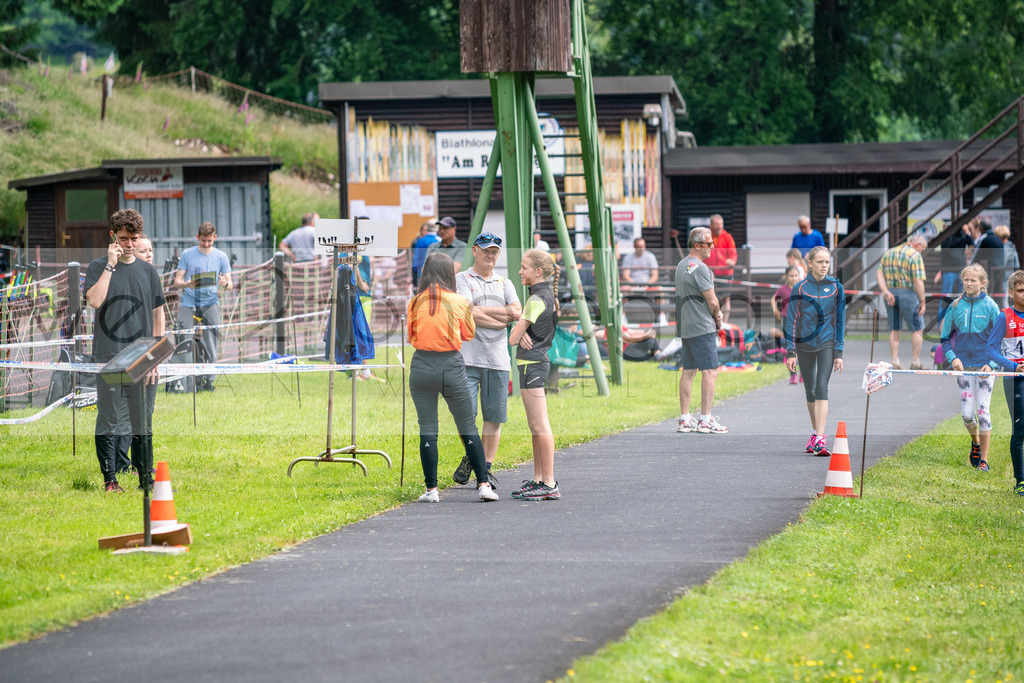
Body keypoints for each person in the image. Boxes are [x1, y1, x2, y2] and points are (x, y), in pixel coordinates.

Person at [83, 209, 165, 492]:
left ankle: (146, 480)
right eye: (124, 239)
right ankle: (110, 480)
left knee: (142, 419)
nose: (129, 244)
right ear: (112, 237)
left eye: (134, 238)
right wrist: (110, 265)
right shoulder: (97, 267)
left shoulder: (149, 271)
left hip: (143, 355)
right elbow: (94, 301)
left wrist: (155, 356)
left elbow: (159, 315)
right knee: (108, 417)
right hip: (109, 353)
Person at [406, 253, 498, 503]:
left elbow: (411, 337)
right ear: (448, 273)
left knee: (427, 427)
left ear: (426, 272)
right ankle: (483, 484)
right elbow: (468, 333)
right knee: (467, 425)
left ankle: (431, 490)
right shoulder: (459, 302)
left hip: (422, 365)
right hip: (451, 365)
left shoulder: (415, 302)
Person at [452, 232, 522, 489]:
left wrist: (484, 312)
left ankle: (483, 466)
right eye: (485, 250)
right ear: (474, 250)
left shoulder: (505, 282)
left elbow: (517, 312)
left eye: (494, 251)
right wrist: (501, 320)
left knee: (493, 417)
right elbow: (467, 312)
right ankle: (477, 458)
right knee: (465, 417)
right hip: (467, 359)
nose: (490, 255)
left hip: (497, 360)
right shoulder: (461, 279)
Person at [508, 249, 562, 500]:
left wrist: (519, 328)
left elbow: (512, 338)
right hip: (533, 363)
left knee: (540, 424)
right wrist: (523, 327)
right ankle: (539, 479)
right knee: (534, 425)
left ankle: (549, 483)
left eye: (524, 267)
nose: (520, 271)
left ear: (538, 272)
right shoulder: (544, 296)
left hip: (532, 364)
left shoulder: (536, 298)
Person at [939, 263, 1002, 473]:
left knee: (983, 412)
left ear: (983, 283)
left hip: (986, 368)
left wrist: (991, 363)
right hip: (964, 368)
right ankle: (975, 442)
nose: (968, 283)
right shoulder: (955, 306)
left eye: (973, 280)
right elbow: (945, 339)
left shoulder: (992, 307)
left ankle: (984, 460)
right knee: (967, 415)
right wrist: (952, 357)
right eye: (965, 279)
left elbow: (1000, 340)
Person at [785, 246, 845, 456]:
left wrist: (838, 353)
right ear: (809, 263)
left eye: (827, 262)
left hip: (827, 343)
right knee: (810, 391)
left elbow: (840, 321)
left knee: (821, 388)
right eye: (819, 262)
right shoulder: (799, 288)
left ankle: (820, 437)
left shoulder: (836, 287)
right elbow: (791, 320)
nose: (824, 266)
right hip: (804, 344)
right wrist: (791, 351)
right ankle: (814, 433)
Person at [674, 227, 727, 435]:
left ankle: (685, 419)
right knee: (711, 370)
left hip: (686, 326)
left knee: (688, 372)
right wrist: (718, 317)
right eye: (709, 244)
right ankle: (705, 419)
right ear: (697, 245)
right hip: (702, 325)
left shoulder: (681, 265)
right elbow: (712, 299)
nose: (712, 248)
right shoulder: (701, 268)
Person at [174, 222, 232, 391]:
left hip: (210, 303)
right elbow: (177, 282)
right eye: (203, 241)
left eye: (210, 241)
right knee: (183, 340)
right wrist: (187, 284)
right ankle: (183, 380)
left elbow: (230, 284)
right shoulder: (187, 254)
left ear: (215, 238)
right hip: (189, 302)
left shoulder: (221, 256)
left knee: (211, 343)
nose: (206, 244)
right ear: (197, 237)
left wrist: (224, 282)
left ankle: (209, 382)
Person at [991, 269, 1024, 495]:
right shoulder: (1005, 316)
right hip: (1015, 379)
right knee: (1020, 429)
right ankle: (1020, 480)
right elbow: (990, 349)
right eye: (1021, 291)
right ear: (1011, 294)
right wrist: (1013, 366)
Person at [876, 234, 927, 370]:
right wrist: (922, 300)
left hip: (890, 294)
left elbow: (879, 273)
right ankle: (915, 361)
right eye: (923, 249)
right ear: (918, 245)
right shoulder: (914, 255)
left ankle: (895, 360)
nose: (922, 251)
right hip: (908, 294)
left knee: (895, 327)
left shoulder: (889, 253)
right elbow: (918, 281)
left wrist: (885, 291)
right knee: (917, 327)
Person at [934, 221, 972, 320]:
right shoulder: (946, 237)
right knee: (945, 298)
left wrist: (966, 232)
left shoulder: (963, 235)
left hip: (959, 270)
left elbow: (972, 243)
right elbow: (945, 246)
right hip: (948, 270)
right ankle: (942, 323)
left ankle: (960, 322)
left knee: (962, 298)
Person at [703, 214, 737, 323]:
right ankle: (711, 323)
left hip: (725, 272)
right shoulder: (706, 237)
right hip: (711, 272)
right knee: (710, 299)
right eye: (717, 224)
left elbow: (733, 253)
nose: (719, 226)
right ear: (711, 225)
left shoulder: (727, 237)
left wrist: (732, 261)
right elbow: (702, 253)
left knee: (726, 299)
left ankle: (724, 325)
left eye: (721, 224)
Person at [771, 265, 802, 384]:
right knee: (791, 347)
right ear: (787, 277)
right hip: (787, 319)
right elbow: (773, 299)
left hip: (801, 319)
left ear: (799, 276)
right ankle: (793, 375)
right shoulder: (783, 289)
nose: (794, 278)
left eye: (795, 275)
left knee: (802, 348)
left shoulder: (801, 288)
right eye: (791, 276)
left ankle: (803, 374)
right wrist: (775, 311)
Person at [970, 220, 1005, 287]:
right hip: (1001, 268)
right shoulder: (998, 238)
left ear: (982, 228)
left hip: (990, 269)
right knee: (997, 291)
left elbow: (976, 254)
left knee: (987, 288)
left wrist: (970, 266)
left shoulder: (983, 238)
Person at [411, 220, 441, 287]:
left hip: (422, 272)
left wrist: (415, 272)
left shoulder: (420, 240)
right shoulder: (439, 240)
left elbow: (416, 259)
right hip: (437, 273)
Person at [995, 224, 1019, 305]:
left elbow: (1003, 263)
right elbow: (1016, 263)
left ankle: (1007, 317)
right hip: (1009, 275)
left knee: (1004, 300)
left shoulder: (1004, 247)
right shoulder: (1011, 245)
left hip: (1004, 276)